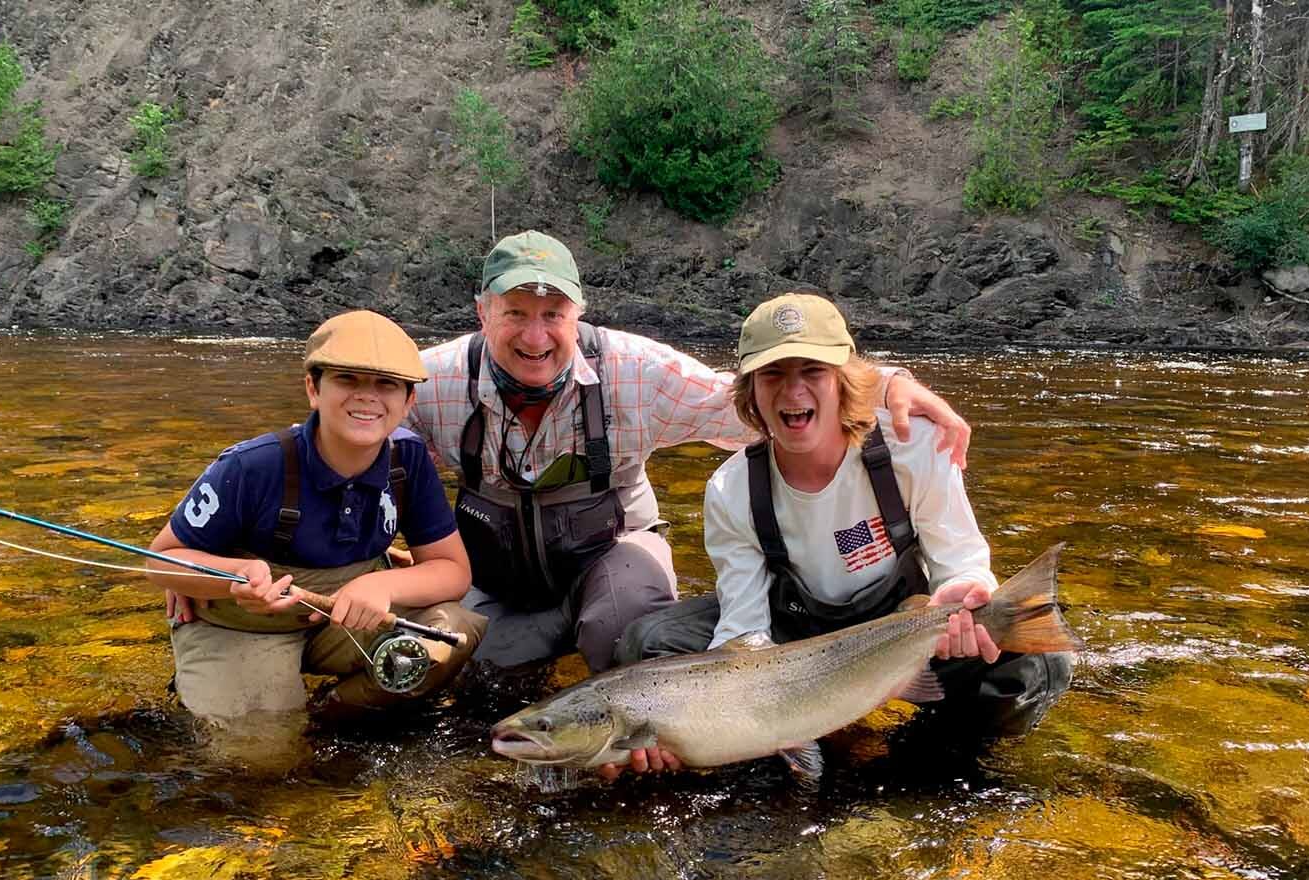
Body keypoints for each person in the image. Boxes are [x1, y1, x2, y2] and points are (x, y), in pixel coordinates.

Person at [399, 231, 973, 700]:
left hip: (611, 557)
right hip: (497, 579)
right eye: (514, 313)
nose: (535, 335)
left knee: (629, 644)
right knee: (465, 684)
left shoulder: (636, 372)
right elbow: (360, 444)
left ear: (577, 314)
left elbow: (765, 407)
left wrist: (890, 383)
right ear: (481, 312)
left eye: (553, 313)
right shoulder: (429, 382)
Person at [611, 293, 1073, 777]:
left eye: (812, 371)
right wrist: (684, 726)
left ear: (843, 381)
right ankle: (808, 736)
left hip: (907, 634)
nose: (793, 394)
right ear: (749, 392)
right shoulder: (731, 490)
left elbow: (959, 559)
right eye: (773, 375)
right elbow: (744, 631)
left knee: (1033, 658)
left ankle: (926, 759)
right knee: (652, 643)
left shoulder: (912, 446)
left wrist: (962, 593)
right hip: (795, 646)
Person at [147, 310, 487, 728]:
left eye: (386, 384)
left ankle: (329, 715)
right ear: (313, 388)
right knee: (259, 761)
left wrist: (381, 583)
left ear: (408, 401)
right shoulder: (252, 466)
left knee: (450, 634)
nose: (367, 396)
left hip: (346, 623)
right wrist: (234, 575)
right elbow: (160, 561)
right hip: (243, 628)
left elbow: (453, 571)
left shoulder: (408, 461)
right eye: (347, 379)